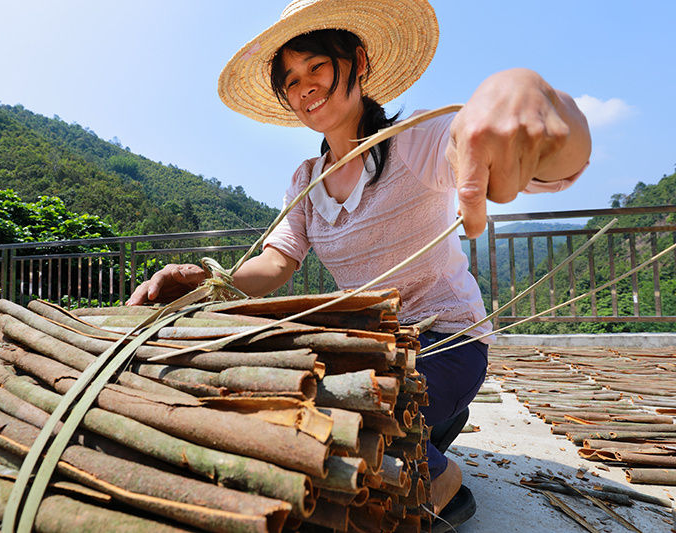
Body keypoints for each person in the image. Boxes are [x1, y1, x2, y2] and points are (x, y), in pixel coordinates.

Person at [127, 0, 591, 529]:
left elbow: (488, 147)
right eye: (290, 79)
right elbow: (276, 263)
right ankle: (426, 426)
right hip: (374, 350)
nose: (304, 86)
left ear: (358, 61)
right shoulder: (305, 180)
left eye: (316, 66)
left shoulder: (411, 139)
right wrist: (211, 283)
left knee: (328, 414)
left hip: (446, 343)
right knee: (286, 389)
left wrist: (526, 93)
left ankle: (438, 474)